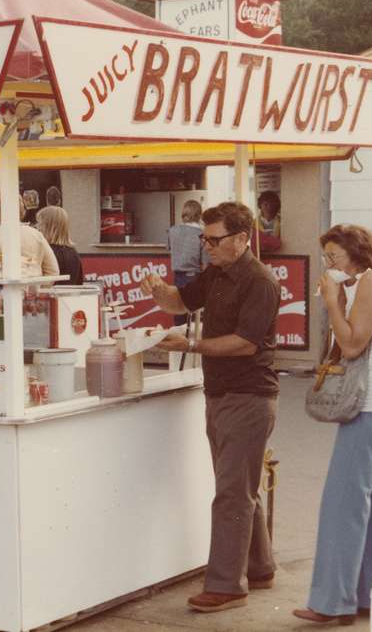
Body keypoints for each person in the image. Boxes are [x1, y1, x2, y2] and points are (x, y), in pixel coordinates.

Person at [140, 201, 280, 613]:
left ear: (241, 238)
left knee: (232, 494)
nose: (208, 247)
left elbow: (246, 342)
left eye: (215, 240)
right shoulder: (217, 272)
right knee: (240, 486)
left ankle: (226, 585)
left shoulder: (260, 281)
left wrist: (192, 345)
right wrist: (156, 289)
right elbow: (179, 302)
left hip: (249, 394)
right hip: (221, 392)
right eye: (205, 239)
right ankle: (259, 567)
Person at [292, 224, 372, 626]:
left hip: (369, 406)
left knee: (343, 503)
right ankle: (364, 594)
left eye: (334, 257)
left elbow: (352, 344)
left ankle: (331, 602)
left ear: (356, 254)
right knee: (371, 503)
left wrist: (331, 300)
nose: (329, 265)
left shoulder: (369, 282)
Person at [0, 188, 59, 276]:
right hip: (32, 286)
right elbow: (53, 271)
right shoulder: (36, 234)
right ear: (21, 211)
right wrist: (36, 287)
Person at [167, 200, 208, 324]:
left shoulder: (172, 230)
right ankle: (193, 342)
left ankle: (179, 340)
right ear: (199, 215)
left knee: (179, 312)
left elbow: (169, 248)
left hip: (178, 277)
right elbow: (205, 263)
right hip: (194, 277)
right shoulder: (202, 234)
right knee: (195, 317)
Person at [36, 205, 83, 285]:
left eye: (39, 224)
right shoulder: (74, 253)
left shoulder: (47, 251)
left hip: (50, 296)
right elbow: (79, 282)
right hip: (70, 296)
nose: (37, 227)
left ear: (49, 227)